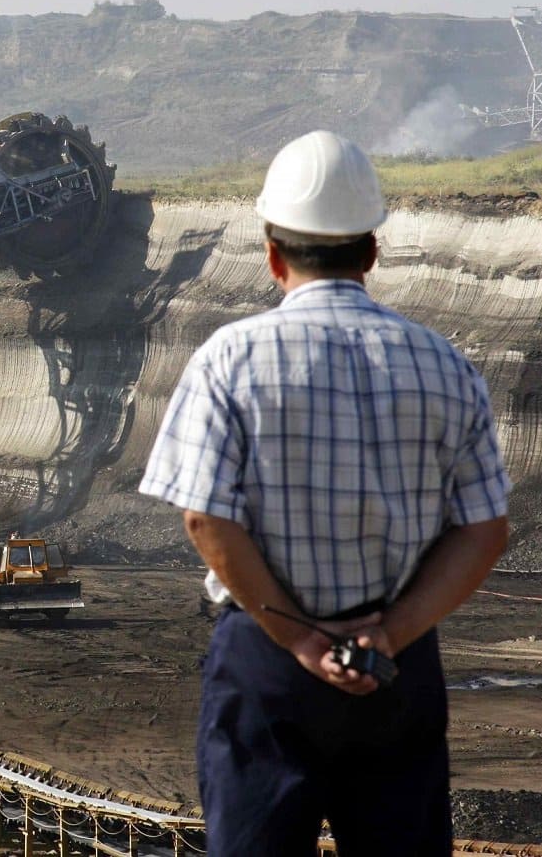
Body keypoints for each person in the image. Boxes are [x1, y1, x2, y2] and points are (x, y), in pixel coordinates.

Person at [140, 130, 510, 857]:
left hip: (267, 663)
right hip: (394, 670)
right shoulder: (445, 365)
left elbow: (205, 517)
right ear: (371, 252)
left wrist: (300, 640)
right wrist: (390, 633)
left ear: (273, 255)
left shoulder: (228, 360)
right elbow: (482, 530)